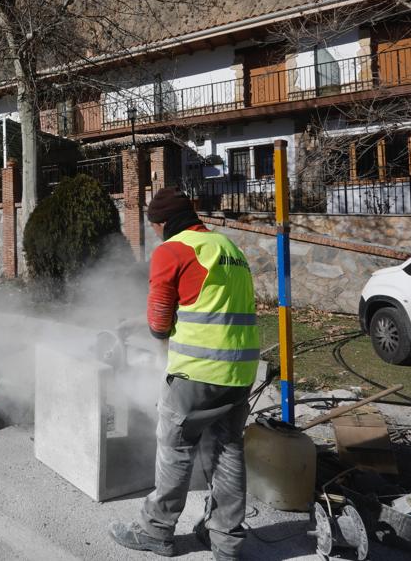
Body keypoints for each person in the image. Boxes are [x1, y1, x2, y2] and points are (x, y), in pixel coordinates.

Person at [110, 187, 259, 561]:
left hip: (197, 372)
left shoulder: (172, 250)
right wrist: (134, 322)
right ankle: (226, 542)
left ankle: (156, 531)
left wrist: (151, 331)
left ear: (163, 223)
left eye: (155, 226)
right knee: (226, 450)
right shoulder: (229, 249)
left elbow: (161, 322)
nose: (156, 234)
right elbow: (207, 307)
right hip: (239, 371)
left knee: (176, 448)